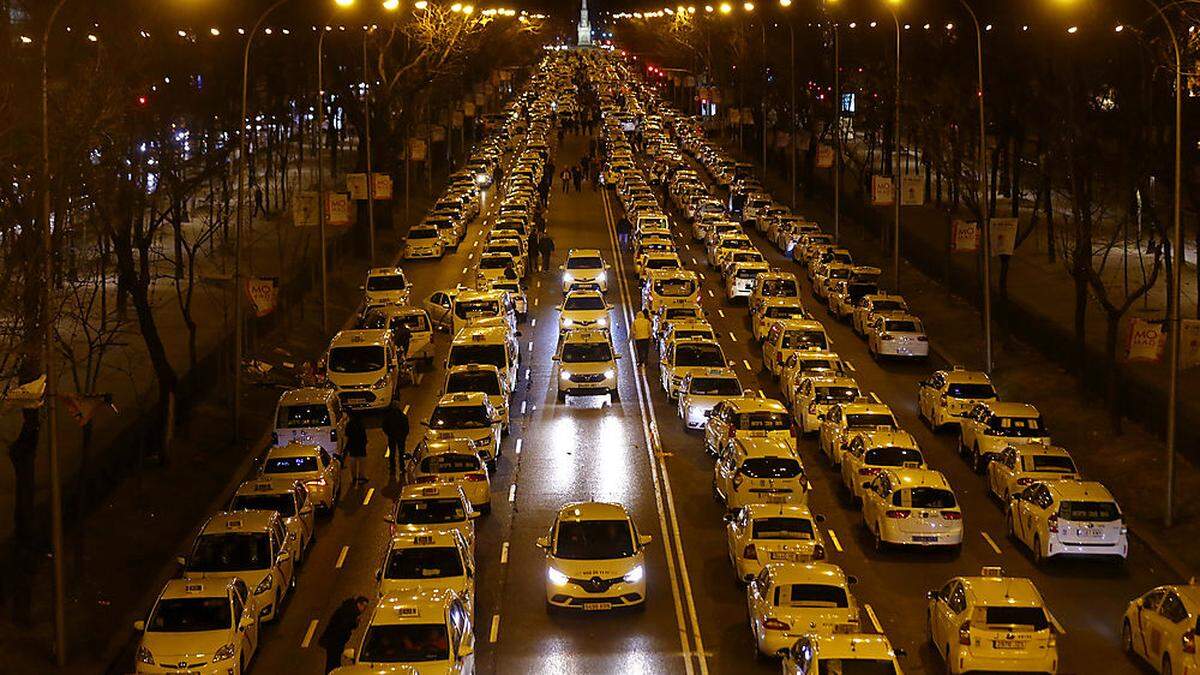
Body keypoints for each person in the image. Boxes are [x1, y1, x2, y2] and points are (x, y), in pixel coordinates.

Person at [319, 596, 369, 674]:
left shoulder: (349, 609)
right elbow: (344, 626)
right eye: (364, 607)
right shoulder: (350, 612)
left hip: (335, 641)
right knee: (333, 663)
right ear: (359, 604)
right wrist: (355, 623)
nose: (364, 610)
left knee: (333, 662)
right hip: (334, 641)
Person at [381, 399, 410, 480]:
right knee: (401, 453)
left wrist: (389, 434)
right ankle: (402, 467)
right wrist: (404, 435)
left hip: (392, 437)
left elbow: (384, 426)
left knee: (392, 453)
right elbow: (406, 428)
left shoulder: (388, 416)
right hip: (401, 438)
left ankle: (392, 468)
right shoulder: (402, 416)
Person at [345, 412, 368, 484]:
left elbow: (347, 434)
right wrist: (365, 443)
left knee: (353, 463)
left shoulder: (349, 425)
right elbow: (364, 436)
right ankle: (361, 477)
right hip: (360, 446)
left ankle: (354, 478)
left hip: (352, 446)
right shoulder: (361, 424)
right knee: (362, 463)